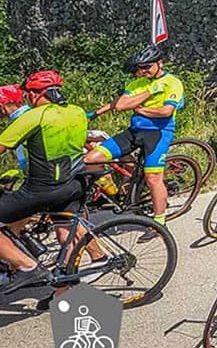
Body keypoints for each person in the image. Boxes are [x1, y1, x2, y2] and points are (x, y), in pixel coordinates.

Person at [0, 71, 88, 292]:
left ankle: (27, 267)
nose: (28, 99)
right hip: (73, 182)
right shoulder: (77, 111)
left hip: (43, 188)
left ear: (35, 95)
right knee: (65, 234)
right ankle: (63, 293)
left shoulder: (34, 116)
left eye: (29, 94)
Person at [85, 45, 184, 225]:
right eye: (140, 67)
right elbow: (121, 105)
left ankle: (158, 222)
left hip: (159, 133)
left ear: (160, 63)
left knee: (153, 178)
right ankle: (116, 194)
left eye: (147, 66)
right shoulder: (137, 84)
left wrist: (140, 109)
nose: (143, 70)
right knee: (91, 160)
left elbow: (166, 112)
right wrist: (151, 91)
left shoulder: (173, 82)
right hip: (135, 131)